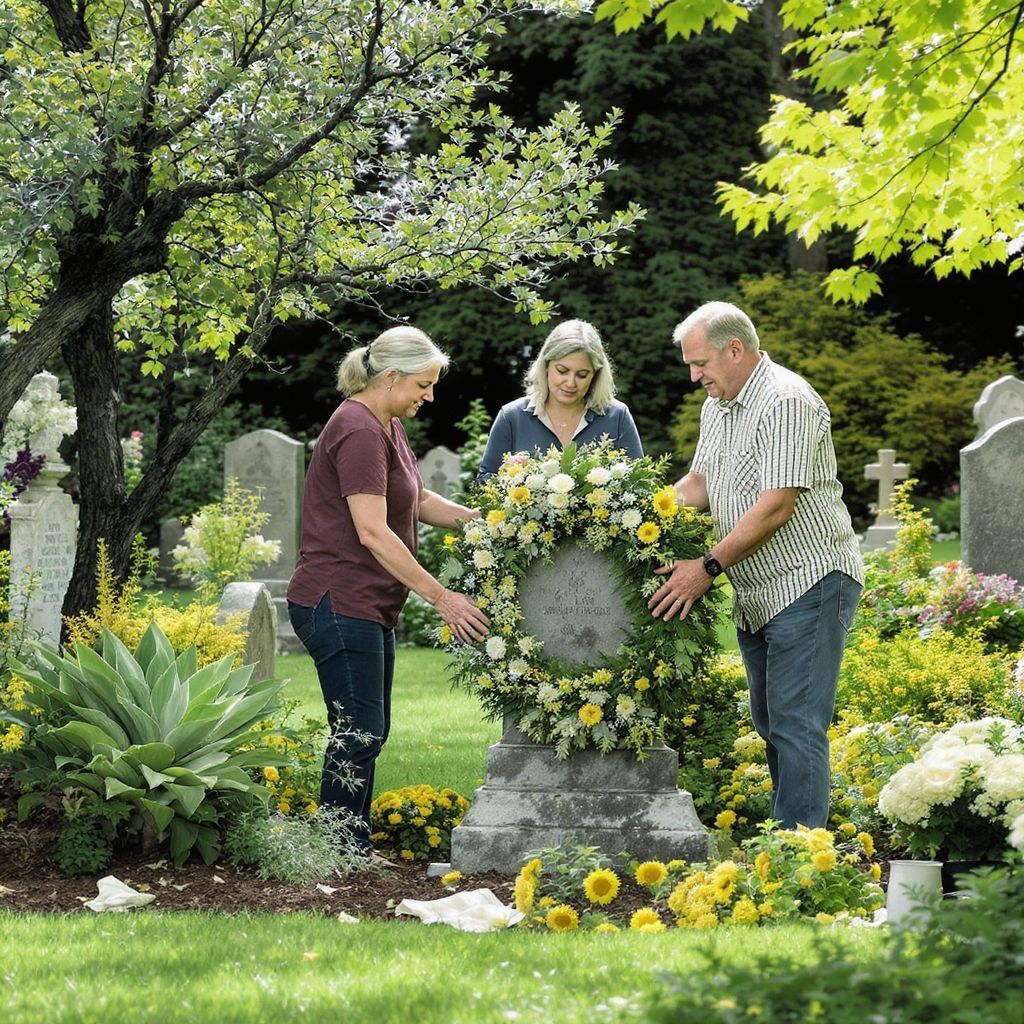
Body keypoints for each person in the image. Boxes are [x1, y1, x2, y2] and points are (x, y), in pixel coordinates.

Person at [648, 301, 863, 829]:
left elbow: (775, 505)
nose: (694, 375)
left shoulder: (786, 400)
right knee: (772, 722)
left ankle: (800, 856)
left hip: (809, 578)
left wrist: (706, 567)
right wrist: (628, 511)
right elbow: (698, 485)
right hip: (759, 590)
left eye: (700, 364)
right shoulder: (719, 405)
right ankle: (790, 840)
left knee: (795, 723)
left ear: (735, 349)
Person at [287, 325, 490, 857]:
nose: (430, 396)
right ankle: (336, 852)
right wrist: (442, 598)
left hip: (367, 605)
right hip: (337, 599)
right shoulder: (356, 427)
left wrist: (486, 522)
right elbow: (373, 530)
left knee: (367, 732)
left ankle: (345, 847)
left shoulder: (387, 423)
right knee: (358, 732)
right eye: (423, 385)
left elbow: (417, 498)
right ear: (392, 376)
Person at [476, 319, 643, 481]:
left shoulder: (617, 416)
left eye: (582, 375)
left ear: (595, 375)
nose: (571, 383)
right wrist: (504, 473)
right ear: (546, 365)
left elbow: (639, 483)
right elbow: (484, 483)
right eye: (562, 371)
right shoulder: (512, 416)